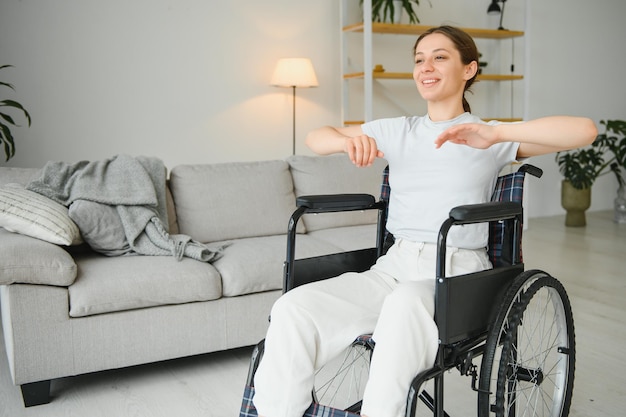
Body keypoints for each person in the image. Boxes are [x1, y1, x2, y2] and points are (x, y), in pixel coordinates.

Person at [252, 25, 597, 417]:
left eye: (439, 57)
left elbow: (584, 130)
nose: (425, 67)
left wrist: (495, 133)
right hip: (393, 267)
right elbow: (318, 136)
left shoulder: (487, 136)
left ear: (469, 69)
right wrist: (347, 141)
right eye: (419, 59)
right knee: (293, 308)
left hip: (456, 269)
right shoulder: (398, 131)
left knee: (402, 306)